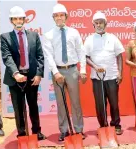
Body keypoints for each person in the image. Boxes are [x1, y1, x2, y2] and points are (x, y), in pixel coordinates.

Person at [0, 6, 46, 140]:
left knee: (33, 106)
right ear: (11, 21)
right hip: (15, 78)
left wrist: (38, 74)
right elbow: (7, 57)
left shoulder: (34, 35)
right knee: (18, 108)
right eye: (15, 18)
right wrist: (16, 73)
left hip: (32, 77)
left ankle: (36, 132)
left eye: (21, 18)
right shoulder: (5, 37)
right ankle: (21, 134)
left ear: (25, 20)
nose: (18, 21)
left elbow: (40, 56)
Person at [42, 4, 87, 141]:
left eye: (61, 15)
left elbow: (81, 51)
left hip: (73, 70)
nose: (59, 18)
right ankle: (64, 130)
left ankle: (78, 130)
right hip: (58, 72)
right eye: (56, 15)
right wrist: (55, 73)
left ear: (66, 17)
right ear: (53, 18)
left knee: (75, 102)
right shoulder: (48, 35)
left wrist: (83, 70)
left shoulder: (74, 32)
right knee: (60, 103)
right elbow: (49, 56)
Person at [85, 11, 124, 135]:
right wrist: (95, 67)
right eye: (96, 23)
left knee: (114, 103)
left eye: (101, 22)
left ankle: (116, 124)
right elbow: (85, 57)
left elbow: (119, 56)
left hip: (112, 76)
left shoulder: (113, 38)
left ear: (105, 24)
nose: (99, 25)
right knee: (100, 104)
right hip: (97, 78)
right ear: (93, 25)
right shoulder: (89, 39)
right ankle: (103, 126)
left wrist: (120, 73)